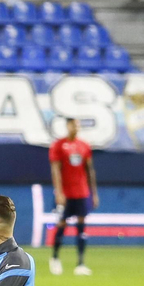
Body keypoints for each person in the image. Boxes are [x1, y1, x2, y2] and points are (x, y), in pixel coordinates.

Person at [47, 117, 98, 276]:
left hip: (82, 192)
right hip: (66, 194)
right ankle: (55, 258)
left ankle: (81, 263)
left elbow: (89, 170)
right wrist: (59, 192)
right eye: (73, 124)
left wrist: (93, 193)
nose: (76, 127)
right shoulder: (59, 145)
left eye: (78, 125)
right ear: (67, 126)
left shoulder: (84, 146)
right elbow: (55, 169)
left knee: (82, 225)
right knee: (62, 224)